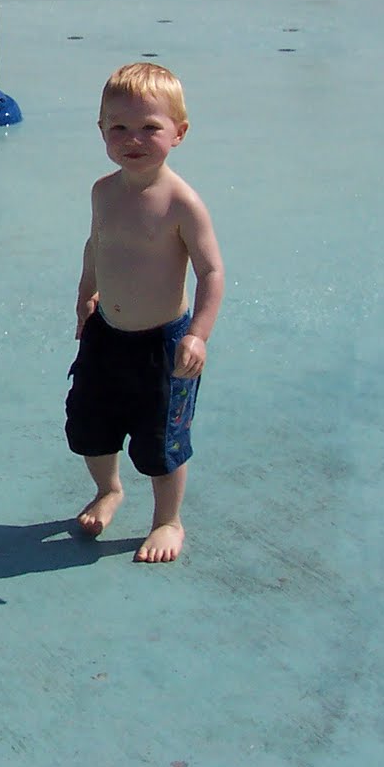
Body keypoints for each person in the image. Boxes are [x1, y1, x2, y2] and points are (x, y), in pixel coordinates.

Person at [66, 62, 224, 565]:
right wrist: (86, 293)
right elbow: (97, 244)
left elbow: (212, 272)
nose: (132, 139)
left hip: (163, 345)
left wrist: (198, 335)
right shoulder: (102, 191)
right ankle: (109, 489)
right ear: (101, 131)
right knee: (90, 423)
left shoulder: (182, 203)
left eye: (149, 128)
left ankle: (167, 521)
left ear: (179, 133)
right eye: (119, 128)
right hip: (106, 335)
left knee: (163, 441)